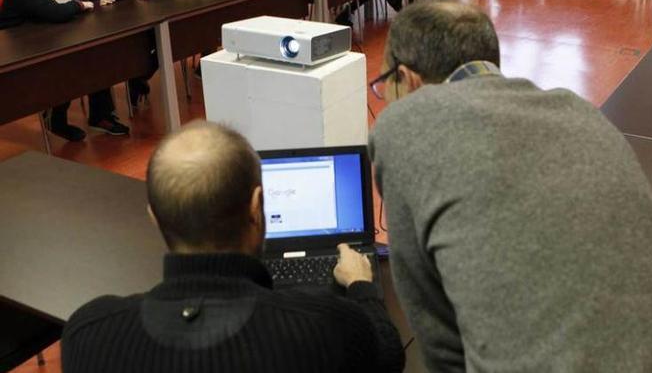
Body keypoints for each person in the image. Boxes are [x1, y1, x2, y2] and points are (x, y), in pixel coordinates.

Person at [368, 0, 652, 372]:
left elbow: (439, 337)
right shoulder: (577, 110)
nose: (385, 99)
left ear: (408, 78)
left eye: (383, 85)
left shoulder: (403, 125)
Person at [61, 121, 405, 373]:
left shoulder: (87, 333)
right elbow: (388, 356)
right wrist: (362, 287)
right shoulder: (326, 325)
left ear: (155, 217)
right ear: (257, 208)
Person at [0, 0, 95, 141]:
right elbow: (56, 13)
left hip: (34, 38)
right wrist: (80, 4)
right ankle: (55, 120)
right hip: (18, 49)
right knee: (67, 67)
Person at [72, 0, 155, 118]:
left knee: (154, 42)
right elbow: (77, 0)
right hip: (98, 28)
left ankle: (138, 79)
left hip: (129, 24)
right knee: (101, 60)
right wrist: (95, 2)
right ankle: (102, 115)